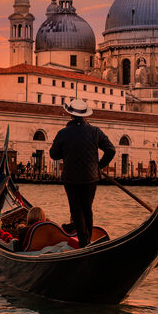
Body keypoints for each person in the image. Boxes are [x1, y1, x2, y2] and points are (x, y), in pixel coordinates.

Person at [49, 99, 115, 247]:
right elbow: (111, 150)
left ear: (70, 115)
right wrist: (99, 166)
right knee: (87, 209)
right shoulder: (95, 131)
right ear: (85, 116)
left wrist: (66, 152)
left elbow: (54, 154)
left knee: (76, 210)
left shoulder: (63, 133)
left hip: (71, 178)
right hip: (91, 177)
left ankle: (84, 242)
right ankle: (88, 239)